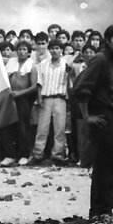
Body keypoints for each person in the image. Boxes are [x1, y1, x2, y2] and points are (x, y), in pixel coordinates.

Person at [72, 23, 113, 224]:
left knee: (111, 165)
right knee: (106, 166)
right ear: (108, 40)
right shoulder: (101, 59)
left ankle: (103, 210)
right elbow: (81, 88)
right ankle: (100, 211)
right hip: (103, 117)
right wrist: (88, 117)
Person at [28, 39, 73, 167]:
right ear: (49, 49)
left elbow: (70, 83)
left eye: (57, 48)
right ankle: (38, 154)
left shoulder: (66, 65)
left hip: (60, 98)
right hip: (46, 98)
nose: (54, 51)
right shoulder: (43, 64)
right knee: (42, 128)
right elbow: (39, 82)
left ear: (61, 50)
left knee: (59, 129)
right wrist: (39, 97)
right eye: (52, 48)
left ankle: (57, 155)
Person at [4, 41, 38, 167]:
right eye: (19, 49)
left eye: (24, 49)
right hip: (10, 99)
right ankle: (9, 155)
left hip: (24, 100)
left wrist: (20, 93)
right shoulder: (10, 63)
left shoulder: (32, 66)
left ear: (29, 52)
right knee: (8, 127)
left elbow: (34, 87)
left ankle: (23, 155)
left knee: (23, 128)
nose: (22, 51)